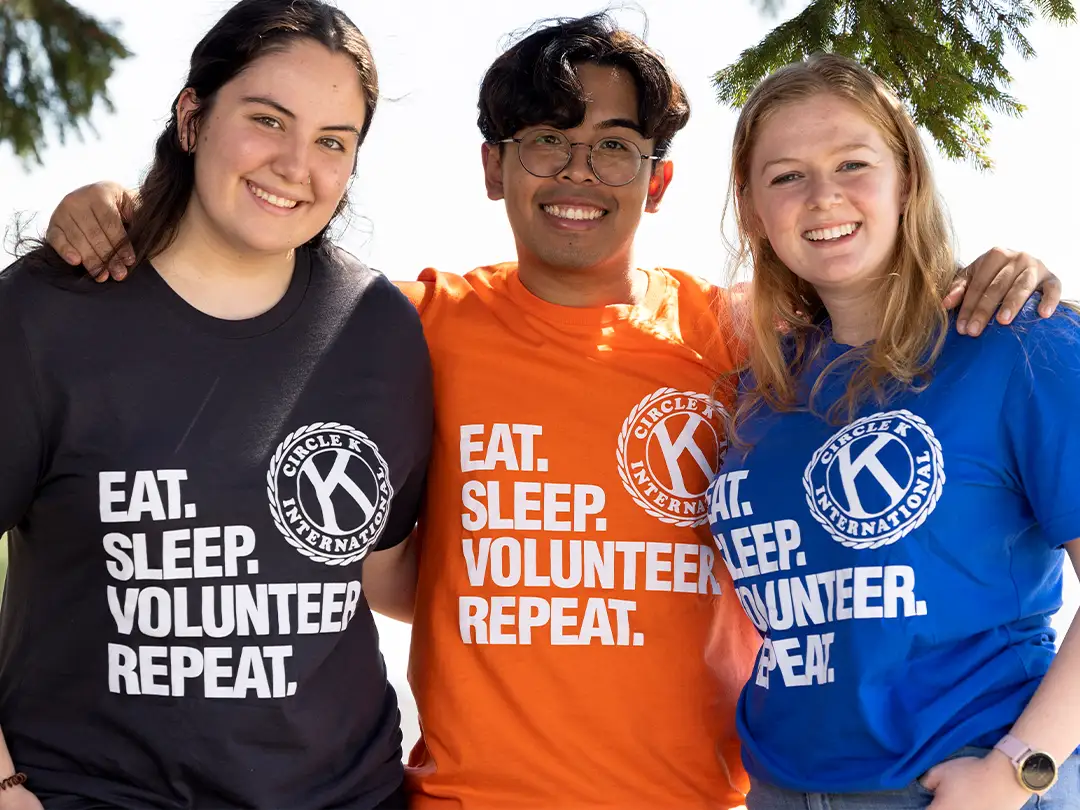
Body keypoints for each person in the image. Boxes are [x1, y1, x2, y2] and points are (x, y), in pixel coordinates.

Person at [40, 15, 1063, 809]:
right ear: (493, 167)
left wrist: (987, 278)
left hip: (706, 798)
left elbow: (875, 317)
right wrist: (123, 209)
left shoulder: (740, 346)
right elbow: (247, 284)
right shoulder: (404, 326)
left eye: (616, 146)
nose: (579, 171)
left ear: (660, 184)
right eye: (544, 140)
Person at [0, 1, 432, 809]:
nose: (296, 165)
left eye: (333, 141)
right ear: (193, 116)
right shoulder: (49, 313)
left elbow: (384, 573)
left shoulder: (378, 327)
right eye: (268, 120)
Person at [708, 52, 1079, 810]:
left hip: (962, 779)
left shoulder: (1017, 344)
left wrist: (1016, 770)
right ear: (752, 209)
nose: (822, 197)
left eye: (852, 163)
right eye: (786, 176)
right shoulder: (759, 388)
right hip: (779, 788)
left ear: (907, 177)